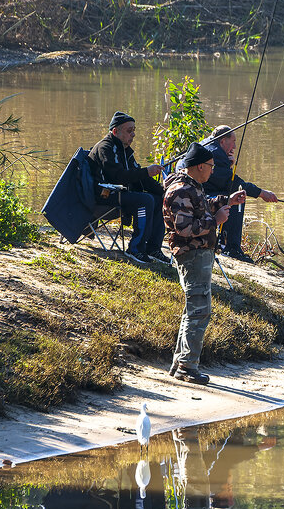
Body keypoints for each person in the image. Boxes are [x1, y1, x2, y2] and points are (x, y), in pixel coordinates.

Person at [163, 142, 246, 385]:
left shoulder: (191, 187)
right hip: (192, 255)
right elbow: (185, 228)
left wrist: (226, 201)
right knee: (199, 310)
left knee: (194, 309)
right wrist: (215, 221)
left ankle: (180, 363)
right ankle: (187, 368)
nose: (213, 170)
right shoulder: (178, 191)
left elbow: (200, 208)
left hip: (200, 254)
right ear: (199, 166)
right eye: (210, 166)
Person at [88, 111, 169, 265]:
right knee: (145, 201)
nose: (133, 134)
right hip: (104, 196)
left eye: (134, 130)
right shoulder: (106, 148)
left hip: (120, 194)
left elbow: (140, 179)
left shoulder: (125, 151)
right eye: (129, 130)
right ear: (115, 131)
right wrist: (147, 171)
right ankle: (136, 249)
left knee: (159, 199)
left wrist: (165, 191)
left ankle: (153, 248)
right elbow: (117, 176)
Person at [201, 125, 277, 262]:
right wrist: (262, 193)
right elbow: (235, 183)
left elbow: (220, 180)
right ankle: (232, 248)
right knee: (238, 195)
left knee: (233, 194)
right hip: (199, 196)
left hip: (200, 191)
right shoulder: (216, 154)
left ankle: (222, 243)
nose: (235, 147)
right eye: (233, 141)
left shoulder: (207, 144)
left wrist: (229, 166)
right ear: (223, 141)